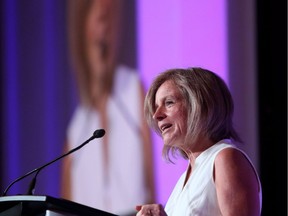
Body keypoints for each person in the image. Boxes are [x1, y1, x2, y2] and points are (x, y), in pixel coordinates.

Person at [61, 0, 155, 215]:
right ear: (82, 30)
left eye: (111, 20)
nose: (106, 30)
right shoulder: (76, 132)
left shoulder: (134, 92)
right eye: (101, 19)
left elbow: (152, 188)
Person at [135, 67, 262, 216]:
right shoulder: (185, 178)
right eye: (156, 108)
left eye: (169, 103)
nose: (157, 115)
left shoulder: (225, 159)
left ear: (201, 105)